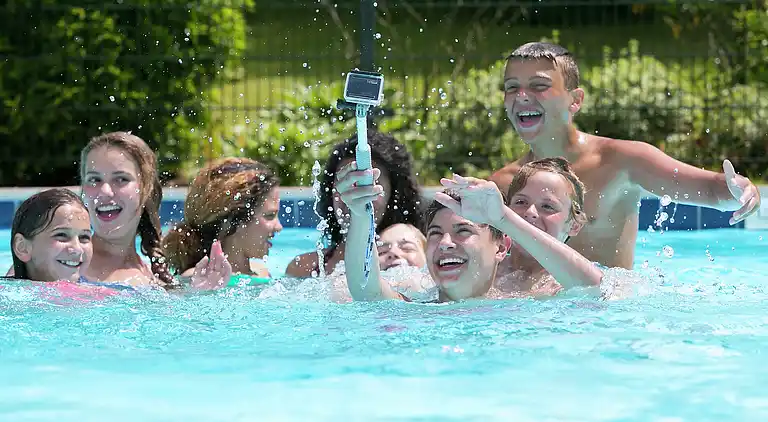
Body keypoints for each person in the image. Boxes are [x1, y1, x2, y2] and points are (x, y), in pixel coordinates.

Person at [489, 42, 761, 269]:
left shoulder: (622, 161)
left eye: (538, 85)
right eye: (512, 87)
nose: (521, 96)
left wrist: (741, 191)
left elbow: (711, 191)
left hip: (607, 319)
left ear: (576, 100)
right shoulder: (503, 184)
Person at [335, 157, 603, 303]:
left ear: (501, 245)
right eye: (436, 233)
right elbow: (365, 289)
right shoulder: (421, 296)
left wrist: (503, 218)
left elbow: (590, 286)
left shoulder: (543, 294)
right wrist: (360, 214)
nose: (445, 243)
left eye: (463, 231)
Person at [80, 131, 229, 290]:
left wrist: (200, 292)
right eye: (94, 179)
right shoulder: (66, 262)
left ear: (146, 189)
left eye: (121, 179)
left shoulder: (155, 278)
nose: (105, 191)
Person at [285, 131, 424, 278]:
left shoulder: (405, 261)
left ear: (393, 195)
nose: (355, 195)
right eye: (345, 183)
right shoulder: (303, 267)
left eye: (368, 184)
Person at [163, 157, 282, 286]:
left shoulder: (262, 273)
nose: (279, 227)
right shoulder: (198, 278)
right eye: (270, 215)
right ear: (235, 218)